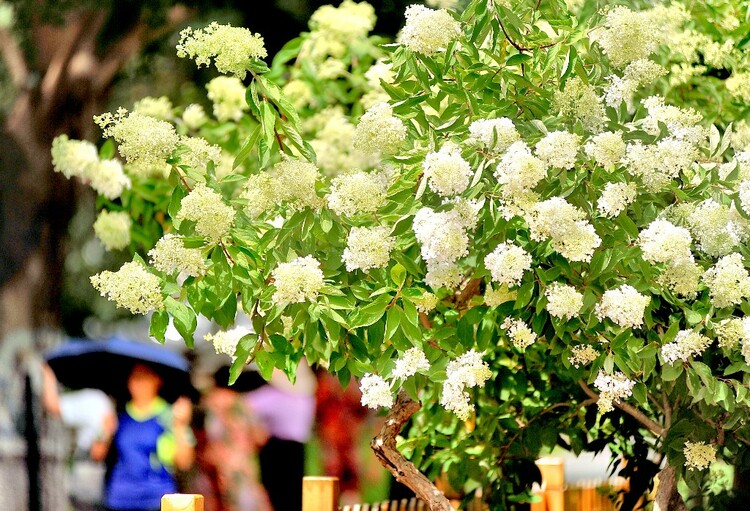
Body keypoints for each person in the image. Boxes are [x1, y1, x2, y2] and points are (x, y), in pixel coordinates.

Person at [97, 363, 195, 511]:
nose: (138, 384)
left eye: (144, 377)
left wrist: (180, 427)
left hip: (156, 498)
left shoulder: (170, 415)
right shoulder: (119, 416)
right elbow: (97, 454)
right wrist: (105, 432)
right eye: (135, 378)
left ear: (157, 380)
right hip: (120, 498)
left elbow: (184, 462)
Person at [198, 366, 272, 511]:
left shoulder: (207, 405)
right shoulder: (242, 404)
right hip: (242, 467)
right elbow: (260, 436)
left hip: (215, 470)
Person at [42, 364, 115, 511]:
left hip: (89, 478)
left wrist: (47, 373)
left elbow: (53, 405)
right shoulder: (106, 402)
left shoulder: (95, 400)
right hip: (98, 481)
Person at [245, 361, 316, 511]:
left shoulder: (273, 396)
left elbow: (246, 406)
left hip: (277, 450)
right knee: (296, 493)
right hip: (298, 448)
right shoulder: (307, 399)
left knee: (277, 496)